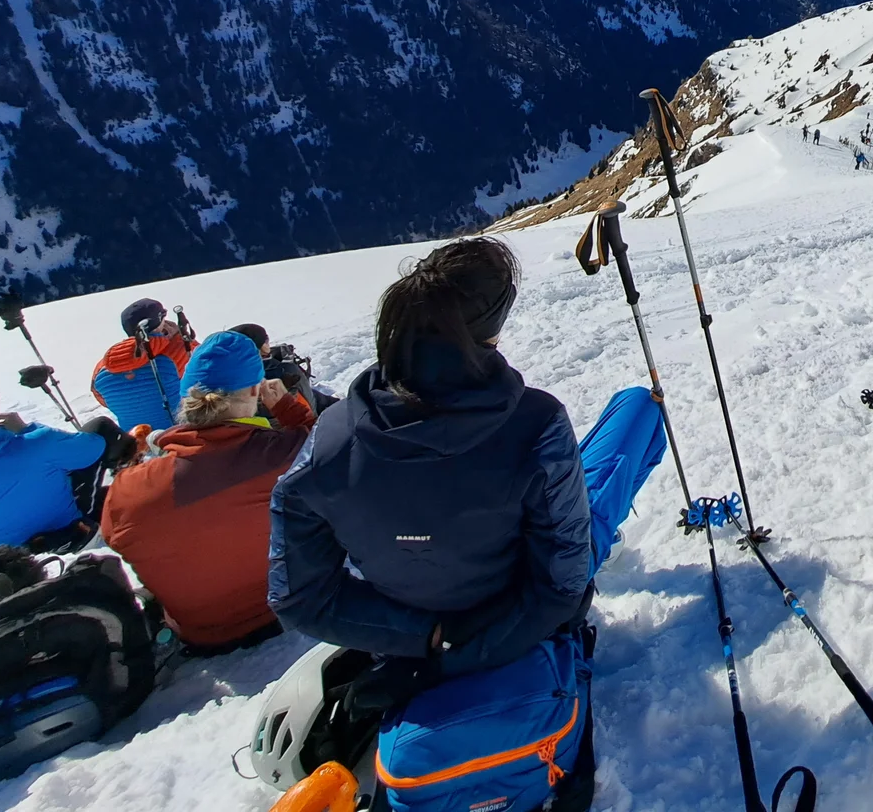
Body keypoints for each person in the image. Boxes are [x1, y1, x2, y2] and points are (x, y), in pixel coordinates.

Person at [269, 237, 665, 696]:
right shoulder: (536, 423)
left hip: (409, 631)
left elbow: (296, 597)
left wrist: (424, 636)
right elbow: (562, 584)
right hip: (517, 623)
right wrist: (470, 645)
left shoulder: (329, 441)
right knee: (637, 410)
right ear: (492, 328)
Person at [101, 331, 314, 654]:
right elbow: (326, 448)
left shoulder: (128, 490)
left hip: (201, 635)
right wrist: (286, 405)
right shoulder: (283, 453)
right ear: (256, 390)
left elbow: (116, 535)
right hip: (289, 606)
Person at [0, 379, 129, 550]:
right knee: (99, 429)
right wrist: (26, 429)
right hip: (67, 539)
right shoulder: (37, 443)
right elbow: (94, 448)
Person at [92, 298, 195, 432]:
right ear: (158, 321)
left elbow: (102, 399)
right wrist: (177, 337)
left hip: (137, 442)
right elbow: (208, 374)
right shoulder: (178, 351)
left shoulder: (102, 368)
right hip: (180, 433)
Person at [227, 323, 333, 413]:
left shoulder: (223, 377)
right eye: (265, 340)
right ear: (259, 346)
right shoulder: (281, 371)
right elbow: (307, 406)